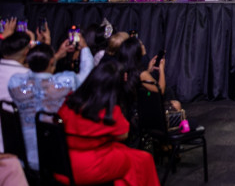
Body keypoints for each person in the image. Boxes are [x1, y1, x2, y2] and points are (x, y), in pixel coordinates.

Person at [57, 60, 160, 185]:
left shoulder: (69, 102)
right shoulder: (109, 112)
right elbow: (123, 135)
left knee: (125, 173)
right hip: (92, 165)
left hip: (63, 163)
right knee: (143, 160)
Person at [8, 38, 93, 170]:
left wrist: (48, 58)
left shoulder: (15, 82)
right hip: (55, 158)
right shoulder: (66, 82)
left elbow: (33, 72)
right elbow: (87, 74)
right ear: (51, 61)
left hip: (23, 157)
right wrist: (85, 48)